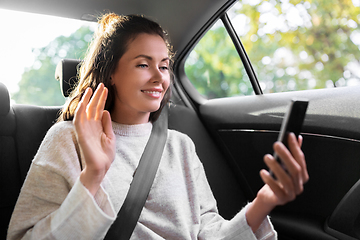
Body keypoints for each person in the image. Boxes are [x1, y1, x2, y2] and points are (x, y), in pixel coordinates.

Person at [7, 13, 309, 240]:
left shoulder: (181, 146)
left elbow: (210, 233)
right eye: (143, 64)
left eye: (164, 65)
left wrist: (265, 200)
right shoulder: (68, 139)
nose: (159, 77)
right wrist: (93, 176)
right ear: (111, 72)